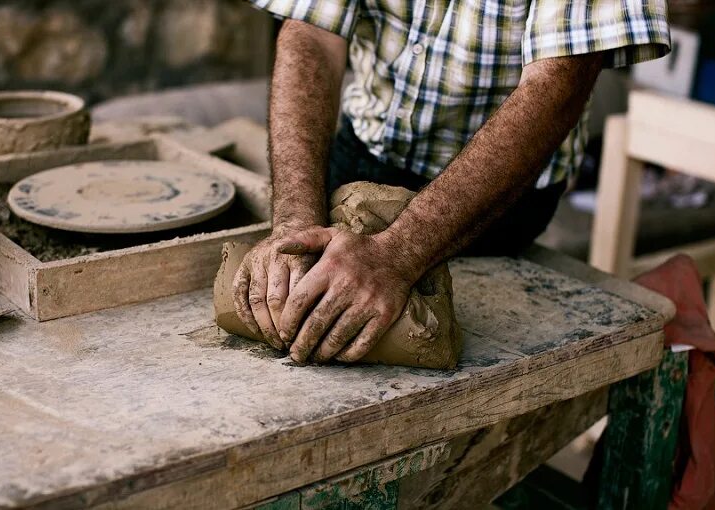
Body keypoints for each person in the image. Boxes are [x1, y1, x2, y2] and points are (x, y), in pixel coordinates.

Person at [234, 0, 671, 365]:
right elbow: (312, 33)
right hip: (362, 158)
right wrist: (293, 221)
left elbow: (557, 83)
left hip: (501, 205)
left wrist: (397, 254)